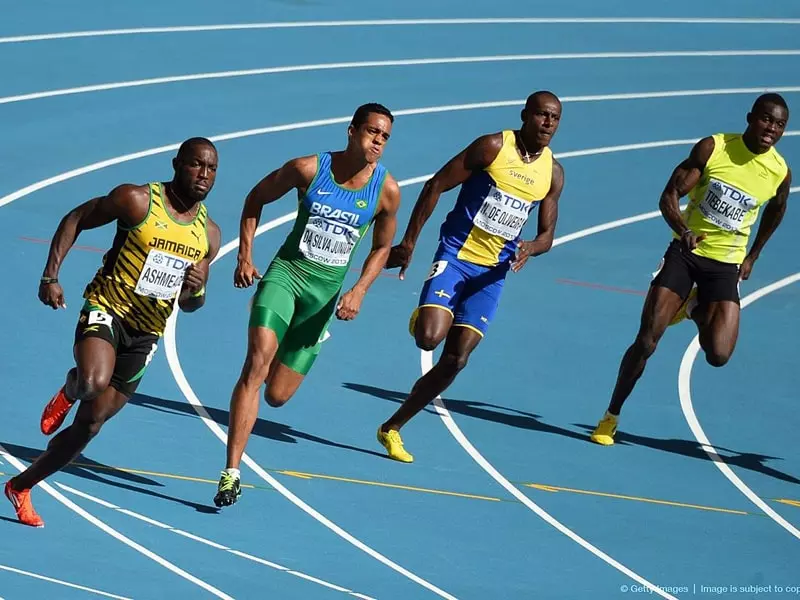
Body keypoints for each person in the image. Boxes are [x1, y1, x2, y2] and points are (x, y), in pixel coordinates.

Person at [4, 138, 221, 527]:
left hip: (147, 333)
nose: (204, 174)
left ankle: (21, 486)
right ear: (176, 164)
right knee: (92, 382)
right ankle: (71, 387)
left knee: (90, 425)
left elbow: (192, 305)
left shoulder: (209, 236)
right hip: (107, 310)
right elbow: (76, 218)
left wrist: (196, 287)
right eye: (196, 165)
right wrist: (51, 275)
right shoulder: (136, 200)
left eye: (211, 169)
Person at [213, 103, 400, 507]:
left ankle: (293, 343)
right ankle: (232, 472)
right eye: (372, 132)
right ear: (351, 131)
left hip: (322, 299)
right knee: (256, 363)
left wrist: (360, 290)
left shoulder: (386, 191)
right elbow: (255, 198)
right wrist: (245, 255)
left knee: (278, 395)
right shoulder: (308, 170)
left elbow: (383, 247)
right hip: (286, 276)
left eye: (384, 137)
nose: (377, 142)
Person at [590, 93, 792, 446]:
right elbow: (668, 195)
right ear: (750, 117)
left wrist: (753, 255)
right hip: (686, 255)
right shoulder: (714, 148)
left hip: (724, 266)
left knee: (718, 355)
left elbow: (777, 209)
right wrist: (683, 231)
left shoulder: (778, 171)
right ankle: (610, 416)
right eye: (765, 119)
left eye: (778, 125)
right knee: (647, 341)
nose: (770, 129)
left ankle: (695, 307)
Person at [377, 91, 565, 463]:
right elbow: (435, 185)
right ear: (525, 116)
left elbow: (547, 236)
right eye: (542, 115)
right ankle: (426, 315)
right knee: (428, 339)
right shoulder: (493, 147)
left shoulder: (553, 173)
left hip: (492, 275)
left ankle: (392, 427)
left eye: (555, 118)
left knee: (456, 360)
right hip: (457, 256)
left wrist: (531, 247)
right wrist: (409, 243)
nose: (548, 124)